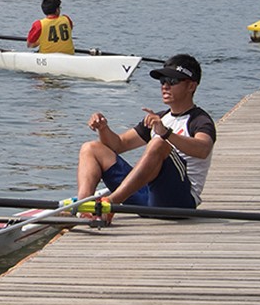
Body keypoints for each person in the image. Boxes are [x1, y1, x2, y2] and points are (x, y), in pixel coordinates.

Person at [76, 54, 216, 217]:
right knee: (91, 148)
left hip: (179, 201)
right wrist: (103, 128)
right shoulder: (159, 117)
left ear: (191, 86)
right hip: (148, 197)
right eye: (162, 81)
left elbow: (203, 149)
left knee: (158, 144)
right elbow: (118, 145)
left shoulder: (199, 120)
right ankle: (82, 208)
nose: (165, 86)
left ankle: (111, 203)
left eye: (172, 81)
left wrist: (166, 133)